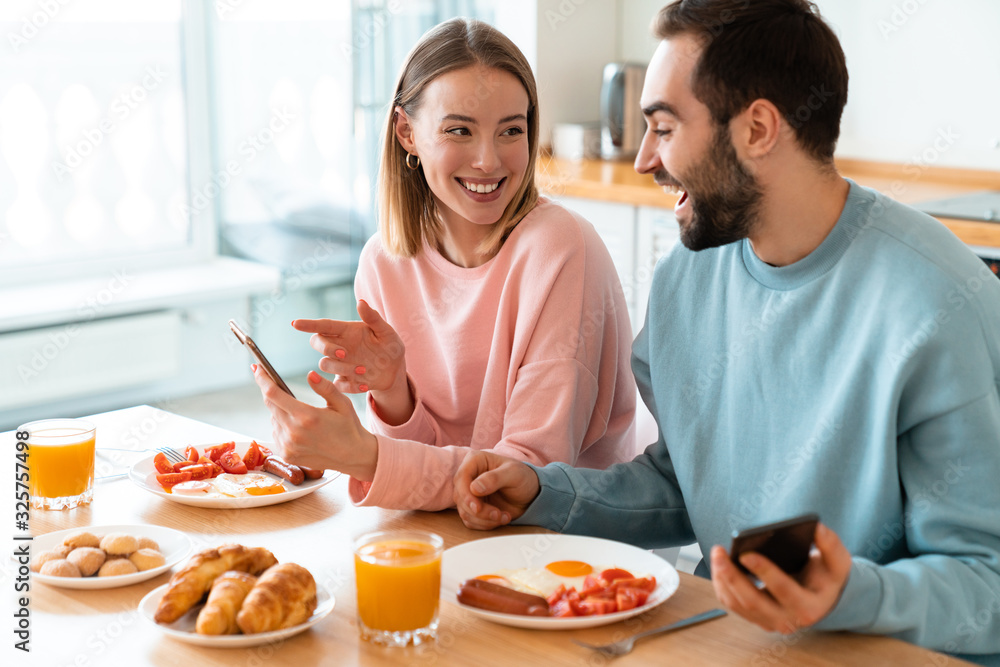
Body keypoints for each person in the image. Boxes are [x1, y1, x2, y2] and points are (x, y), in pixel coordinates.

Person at [452, 1, 1000, 663]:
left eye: (663, 126)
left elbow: (985, 580)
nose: (645, 158)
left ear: (758, 128)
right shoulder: (686, 279)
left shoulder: (938, 299)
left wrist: (847, 593)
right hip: (728, 644)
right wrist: (546, 492)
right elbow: (683, 485)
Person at [252, 18, 636, 512]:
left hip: (565, 551)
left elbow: (522, 480)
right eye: (459, 129)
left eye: (510, 131)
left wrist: (366, 456)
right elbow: (429, 466)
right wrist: (394, 392)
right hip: (451, 524)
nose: (488, 160)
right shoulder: (383, 263)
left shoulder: (562, 249)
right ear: (407, 132)